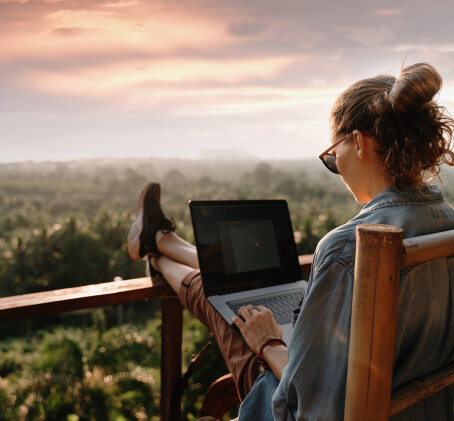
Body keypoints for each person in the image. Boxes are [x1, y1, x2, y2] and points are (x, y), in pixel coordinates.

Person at [127, 62, 454, 420]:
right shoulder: (448, 223)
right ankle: (161, 243)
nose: (336, 166)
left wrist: (268, 343)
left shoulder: (348, 248)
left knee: (228, 303)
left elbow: (312, 405)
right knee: (240, 291)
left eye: (333, 155)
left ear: (358, 143)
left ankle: (156, 250)